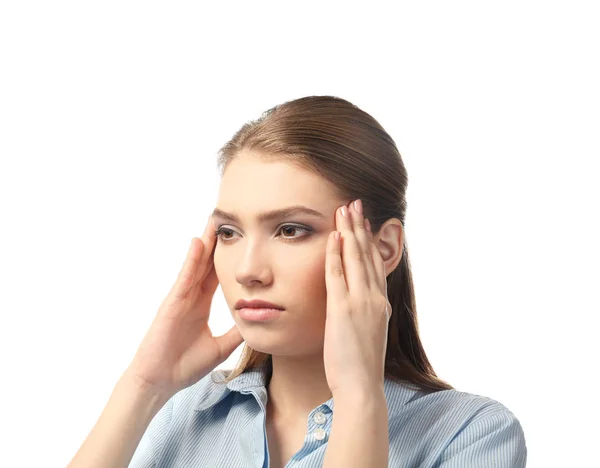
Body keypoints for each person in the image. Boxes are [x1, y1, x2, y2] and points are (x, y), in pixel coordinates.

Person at [67, 95, 527, 468]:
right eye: (229, 232)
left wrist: (358, 399)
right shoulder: (183, 412)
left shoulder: (471, 435)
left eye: (291, 230)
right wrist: (144, 386)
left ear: (383, 249)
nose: (248, 269)